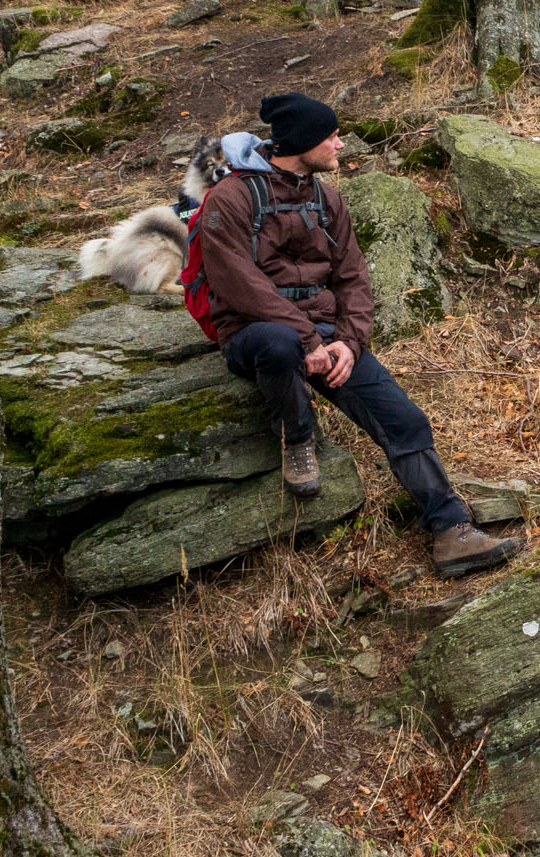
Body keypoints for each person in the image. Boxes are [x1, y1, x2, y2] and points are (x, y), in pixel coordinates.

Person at [199, 93, 521, 579]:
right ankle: (297, 440)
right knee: (278, 343)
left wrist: (348, 343)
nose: (340, 142)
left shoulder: (326, 197)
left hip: (327, 335)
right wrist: (308, 339)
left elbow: (353, 278)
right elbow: (237, 284)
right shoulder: (231, 199)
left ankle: (451, 532)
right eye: (330, 135)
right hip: (253, 332)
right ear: (301, 141)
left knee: (405, 419)